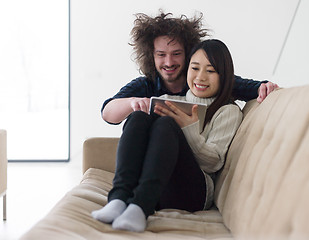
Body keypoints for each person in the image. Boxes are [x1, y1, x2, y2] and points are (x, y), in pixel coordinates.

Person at [92, 39, 243, 232]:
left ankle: (141, 206)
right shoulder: (168, 100)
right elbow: (111, 113)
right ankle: (119, 199)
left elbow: (212, 163)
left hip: (195, 194)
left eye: (211, 71)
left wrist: (189, 128)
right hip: (161, 189)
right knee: (138, 116)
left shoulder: (228, 111)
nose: (200, 77)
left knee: (166, 124)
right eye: (195, 68)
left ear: (224, 76)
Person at [101, 11, 278, 125]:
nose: (169, 62)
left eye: (176, 53)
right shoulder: (146, 85)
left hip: (189, 159)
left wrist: (265, 87)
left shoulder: (203, 81)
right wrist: (132, 103)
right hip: (154, 154)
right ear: (151, 56)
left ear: (188, 54)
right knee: (136, 119)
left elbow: (251, 87)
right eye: (161, 55)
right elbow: (107, 112)